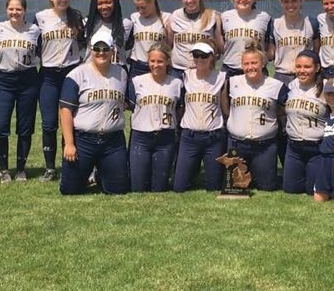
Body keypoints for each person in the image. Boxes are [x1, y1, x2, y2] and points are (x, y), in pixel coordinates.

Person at [59, 31, 130, 195]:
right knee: (70, 190)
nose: (101, 53)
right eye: (97, 48)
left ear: (112, 50)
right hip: (84, 139)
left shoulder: (122, 74)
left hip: (112, 140)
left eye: (105, 49)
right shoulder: (77, 74)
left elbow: (129, 101)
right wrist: (69, 144)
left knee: (118, 190)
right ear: (91, 50)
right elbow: (65, 110)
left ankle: (100, 174)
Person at [34, 0, 85, 182]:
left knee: (70, 121)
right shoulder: (40, 17)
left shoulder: (76, 17)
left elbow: (83, 43)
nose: (62, 0)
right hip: (48, 74)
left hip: (70, 72)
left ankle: (68, 163)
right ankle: (50, 168)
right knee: (49, 123)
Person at [0, 0, 41, 184]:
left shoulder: (34, 30)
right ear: (6, 10)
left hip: (28, 78)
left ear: (25, 11)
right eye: (11, 9)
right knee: (0, 127)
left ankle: (21, 169)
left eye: (18, 9)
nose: (15, 12)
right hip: (4, 79)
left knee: (25, 127)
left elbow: (42, 52)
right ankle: (3, 169)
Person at [224, 43, 288, 191]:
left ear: (263, 63)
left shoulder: (276, 86)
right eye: (246, 64)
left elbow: (287, 108)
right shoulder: (232, 82)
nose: (250, 67)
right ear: (241, 65)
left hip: (264, 146)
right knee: (235, 187)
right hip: (237, 144)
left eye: (254, 63)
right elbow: (224, 103)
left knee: (266, 187)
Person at [172, 42, 229, 192]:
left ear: (211, 57)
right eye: (196, 55)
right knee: (179, 187)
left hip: (214, 137)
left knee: (214, 187)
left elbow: (225, 109)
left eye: (203, 56)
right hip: (189, 137)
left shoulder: (221, 78)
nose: (199, 59)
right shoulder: (185, 76)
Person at [127, 43, 184, 191]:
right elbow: (131, 106)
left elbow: (179, 111)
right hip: (141, 137)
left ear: (167, 62)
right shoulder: (136, 81)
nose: (155, 65)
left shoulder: (177, 83)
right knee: (138, 187)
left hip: (166, 137)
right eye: (152, 61)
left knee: (159, 188)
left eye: (160, 61)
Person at [282, 50, 329, 195]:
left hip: (317, 148)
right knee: (291, 190)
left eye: (307, 67)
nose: (302, 71)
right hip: (294, 148)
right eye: (298, 66)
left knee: (312, 191)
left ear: (317, 68)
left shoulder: (326, 87)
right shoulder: (291, 86)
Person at [167, 0, 224, 79]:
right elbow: (169, 45)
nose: (189, 0)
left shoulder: (212, 16)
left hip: (203, 71)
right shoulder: (175, 16)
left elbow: (220, 48)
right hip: (178, 71)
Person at [220, 0, 272, 76]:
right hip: (231, 69)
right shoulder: (224, 17)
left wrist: (264, 58)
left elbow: (269, 46)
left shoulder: (264, 17)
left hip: (256, 70)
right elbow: (221, 45)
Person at [269, 0, 319, 84]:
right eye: (286, 2)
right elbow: (271, 53)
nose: (290, 5)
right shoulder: (274, 24)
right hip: (282, 75)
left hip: (306, 75)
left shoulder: (311, 23)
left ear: (301, 1)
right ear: (281, 3)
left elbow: (317, 50)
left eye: (294, 1)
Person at [84, 0, 132, 66]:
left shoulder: (126, 24)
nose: (104, 7)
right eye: (100, 3)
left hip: (117, 70)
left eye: (108, 2)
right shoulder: (87, 23)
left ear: (115, 2)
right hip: (92, 70)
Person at [128, 0, 171, 77]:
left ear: (152, 1)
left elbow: (171, 44)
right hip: (138, 66)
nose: (140, 11)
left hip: (158, 65)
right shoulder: (134, 17)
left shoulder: (167, 18)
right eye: (137, 8)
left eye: (143, 7)